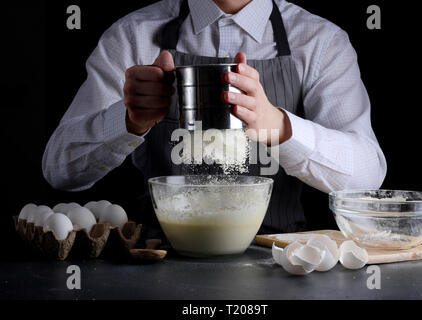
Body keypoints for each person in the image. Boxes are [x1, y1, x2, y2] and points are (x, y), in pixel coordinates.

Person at [42, 0, 387, 234]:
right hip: (156, 262)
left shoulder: (320, 42)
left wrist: (281, 127)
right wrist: (128, 120)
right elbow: (60, 170)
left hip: (281, 264)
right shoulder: (132, 36)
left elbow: (367, 178)